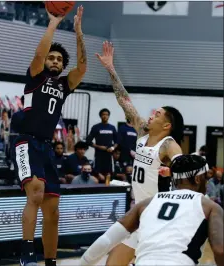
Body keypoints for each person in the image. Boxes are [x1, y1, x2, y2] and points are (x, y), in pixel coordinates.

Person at [96, 41, 184, 266]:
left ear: (167, 126)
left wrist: (176, 167)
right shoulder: (143, 132)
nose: (153, 113)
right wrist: (111, 69)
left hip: (160, 217)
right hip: (140, 213)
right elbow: (125, 101)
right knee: (112, 262)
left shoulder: (167, 144)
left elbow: (180, 162)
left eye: (159, 113)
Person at [12, 6, 87, 266]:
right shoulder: (35, 76)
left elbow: (83, 67)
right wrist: (54, 22)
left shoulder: (64, 85)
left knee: (53, 210)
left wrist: (78, 32)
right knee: (35, 191)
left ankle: (51, 261)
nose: (54, 61)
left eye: (58, 59)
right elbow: (39, 53)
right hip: (25, 140)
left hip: (45, 146)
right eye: (51, 58)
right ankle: (26, 253)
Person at [80, 155, 224, 266]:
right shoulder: (209, 207)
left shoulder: (147, 203)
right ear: (198, 179)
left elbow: (107, 240)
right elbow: (220, 251)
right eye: (206, 177)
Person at [86, 108, 117, 183]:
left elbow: (117, 141)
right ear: (100, 116)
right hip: (99, 155)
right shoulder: (96, 127)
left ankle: (107, 191)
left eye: (106, 115)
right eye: (103, 114)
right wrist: (99, 147)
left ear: (109, 116)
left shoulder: (112, 128)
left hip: (109, 156)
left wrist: (113, 148)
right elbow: (88, 141)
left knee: (108, 175)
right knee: (98, 175)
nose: (105, 116)